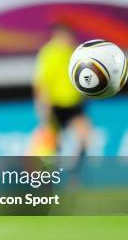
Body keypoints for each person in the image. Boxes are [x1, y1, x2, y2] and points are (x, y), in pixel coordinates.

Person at [29, 22, 92, 156]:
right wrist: (42, 105)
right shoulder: (48, 54)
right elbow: (40, 82)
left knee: (84, 135)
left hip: (73, 103)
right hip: (54, 105)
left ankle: (76, 170)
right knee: (50, 142)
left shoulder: (76, 52)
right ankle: (41, 171)